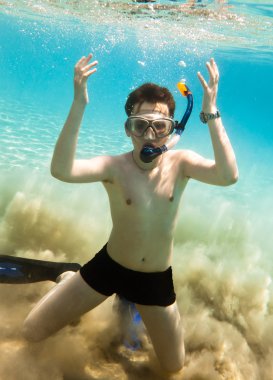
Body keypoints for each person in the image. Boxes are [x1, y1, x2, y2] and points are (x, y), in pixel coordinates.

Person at [22, 53, 238, 374]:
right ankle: (69, 274)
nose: (149, 137)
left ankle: (130, 304)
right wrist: (79, 103)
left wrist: (210, 113)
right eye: (140, 126)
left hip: (155, 281)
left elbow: (227, 176)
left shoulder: (181, 164)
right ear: (128, 130)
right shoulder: (115, 167)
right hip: (108, 268)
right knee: (30, 333)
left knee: (173, 367)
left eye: (159, 127)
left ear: (171, 131)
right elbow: (62, 170)